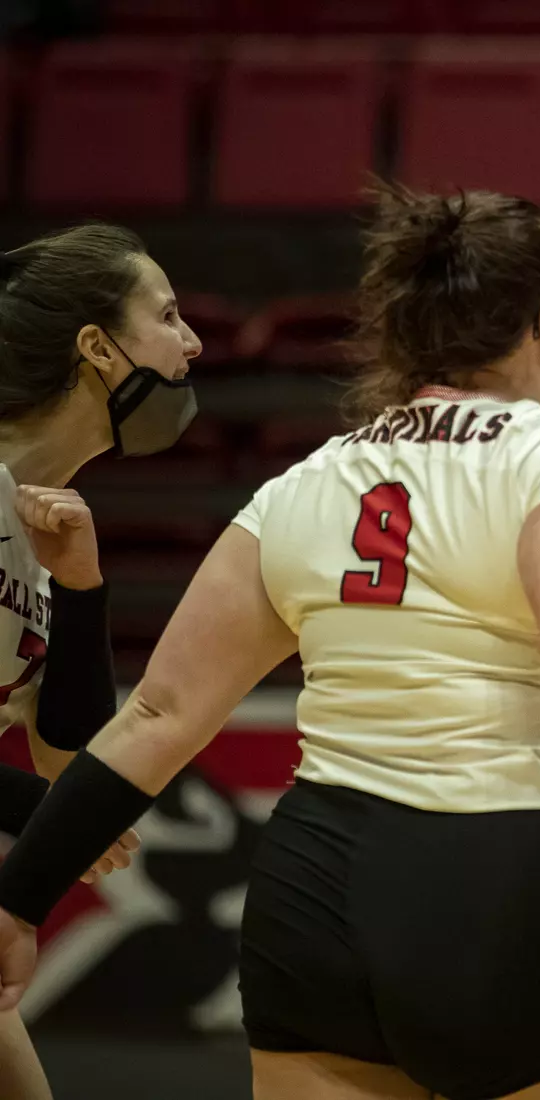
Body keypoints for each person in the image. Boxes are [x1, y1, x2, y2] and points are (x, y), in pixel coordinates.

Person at [0, 185, 540, 1100]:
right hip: (506, 873)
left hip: (316, 889)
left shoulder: (309, 478)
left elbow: (157, 713)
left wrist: (18, 899)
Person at [0, 224, 201, 1099]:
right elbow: (55, 787)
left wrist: (81, 588)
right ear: (97, 348)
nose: (192, 342)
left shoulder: (41, 525)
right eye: (167, 315)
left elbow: (65, 752)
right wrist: (51, 818)